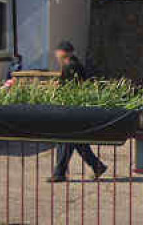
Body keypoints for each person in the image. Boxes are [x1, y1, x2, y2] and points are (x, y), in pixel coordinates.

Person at [48, 40, 108, 182]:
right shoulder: (73, 65)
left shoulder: (71, 66)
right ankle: (97, 166)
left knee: (66, 140)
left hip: (72, 109)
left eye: (58, 51)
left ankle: (59, 173)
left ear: (64, 52)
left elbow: (70, 88)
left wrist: (57, 89)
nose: (56, 54)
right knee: (77, 142)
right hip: (75, 108)